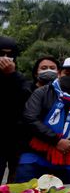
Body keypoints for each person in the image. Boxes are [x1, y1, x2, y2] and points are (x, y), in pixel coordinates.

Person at [17, 57, 70, 184]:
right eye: (67, 73)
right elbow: (30, 117)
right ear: (59, 73)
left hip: (67, 155)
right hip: (36, 154)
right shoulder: (42, 92)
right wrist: (56, 140)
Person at [0, 37, 31, 183]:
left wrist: (11, 75)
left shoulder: (20, 79)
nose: (5, 59)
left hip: (16, 140)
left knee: (14, 185)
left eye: (9, 55)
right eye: (2, 54)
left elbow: (24, 98)